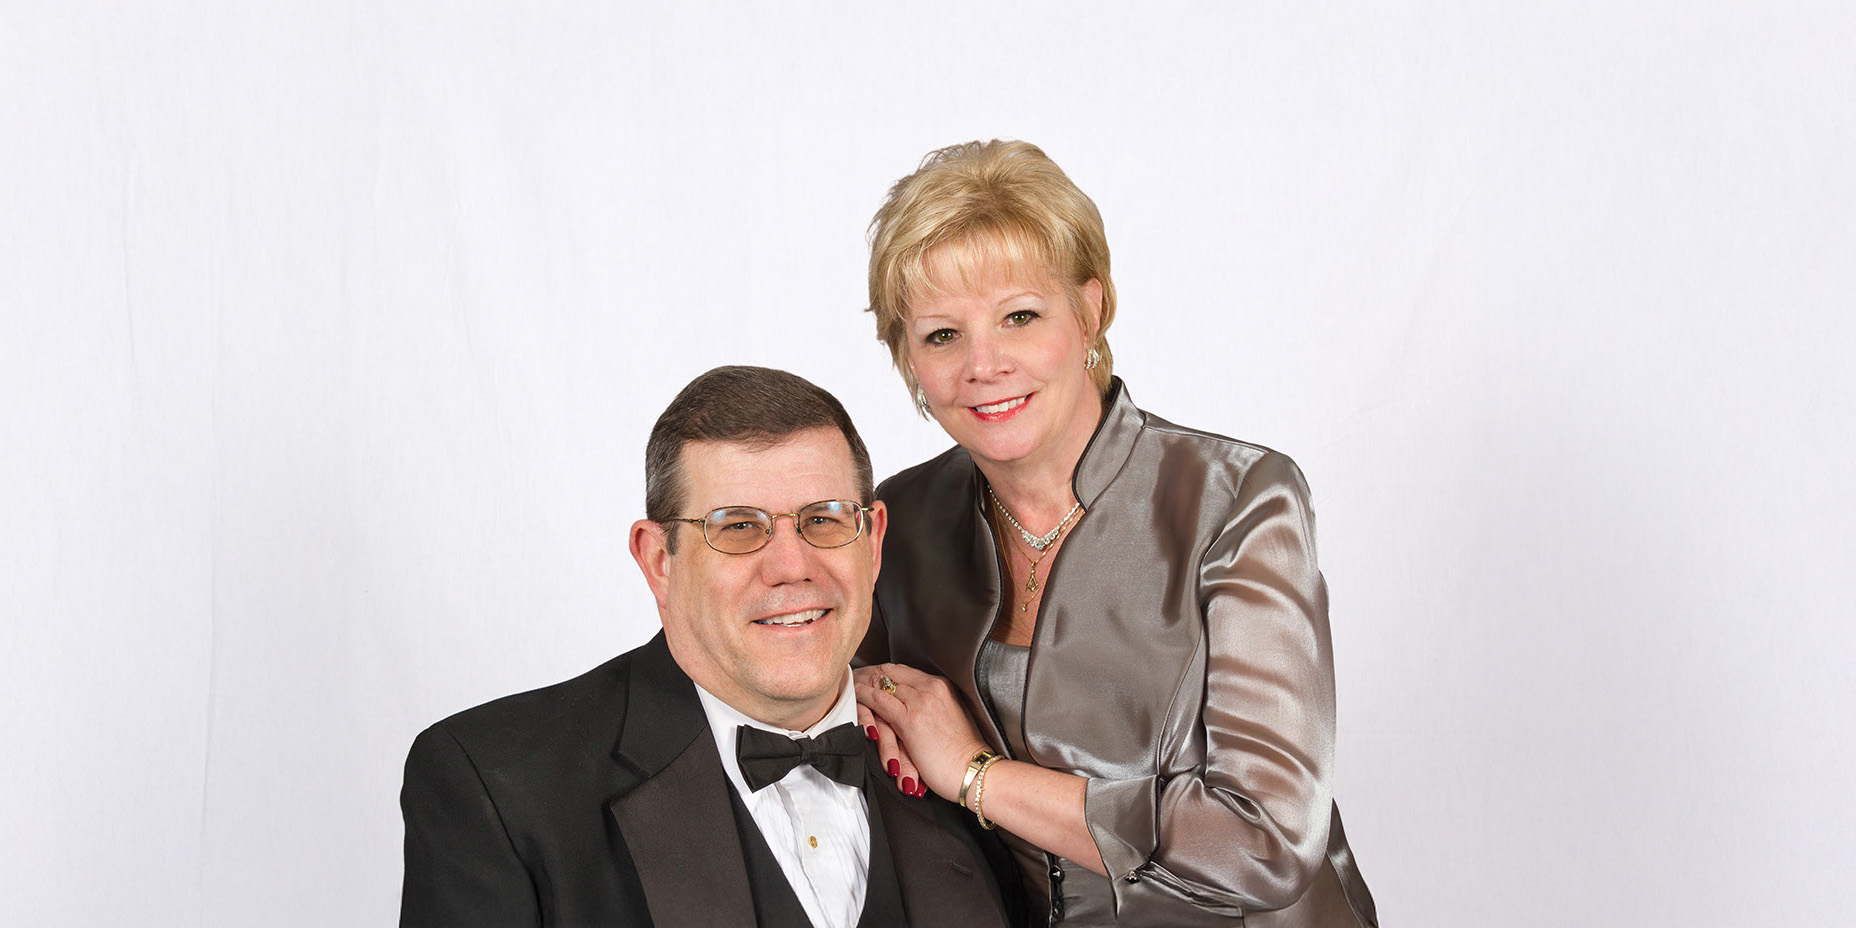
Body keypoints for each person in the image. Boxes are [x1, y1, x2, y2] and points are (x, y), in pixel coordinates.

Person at [852, 141, 1379, 927]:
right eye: (941, 336)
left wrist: (976, 775)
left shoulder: (1237, 499)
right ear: (906, 358)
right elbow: (859, 723)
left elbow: (1266, 842)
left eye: (1020, 317)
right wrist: (863, 704)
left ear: (1090, 312)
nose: (983, 365)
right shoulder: (899, 520)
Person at [400, 365, 1020, 928]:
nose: (791, 567)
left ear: (873, 540)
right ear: (658, 559)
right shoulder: (495, 783)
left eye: (824, 519)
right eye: (739, 527)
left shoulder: (973, 754)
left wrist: (974, 778)